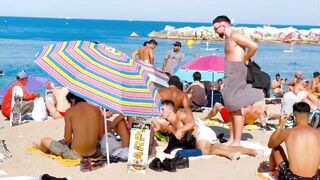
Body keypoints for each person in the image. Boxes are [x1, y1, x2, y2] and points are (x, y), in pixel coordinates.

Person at [212, 15, 264, 146]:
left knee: (235, 107)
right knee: (230, 107)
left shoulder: (235, 35)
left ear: (222, 25)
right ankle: (232, 139)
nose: (214, 31)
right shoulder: (228, 38)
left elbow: (254, 46)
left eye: (215, 28)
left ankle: (236, 141)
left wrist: (246, 58)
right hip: (230, 72)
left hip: (237, 72)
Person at [152, 100, 264, 160]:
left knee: (204, 149)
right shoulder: (170, 126)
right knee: (215, 148)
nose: (160, 112)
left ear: (169, 108)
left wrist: (181, 130)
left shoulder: (180, 114)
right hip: (199, 138)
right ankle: (251, 152)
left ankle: (232, 154)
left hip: (202, 132)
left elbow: (191, 123)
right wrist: (156, 128)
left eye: (162, 109)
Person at [34, 93, 130, 159]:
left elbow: (67, 138)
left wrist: (63, 142)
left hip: (77, 154)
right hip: (95, 152)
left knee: (44, 140)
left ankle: (40, 148)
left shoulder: (70, 112)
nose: (70, 106)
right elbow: (101, 136)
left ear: (73, 100)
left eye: (69, 103)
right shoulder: (97, 110)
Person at [268, 102, 320, 179]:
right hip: (315, 178)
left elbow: (271, 144)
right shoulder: (318, 133)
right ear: (309, 116)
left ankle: (271, 171)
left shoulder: (287, 132)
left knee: (276, 148)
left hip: (293, 178)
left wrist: (281, 125)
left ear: (294, 117)